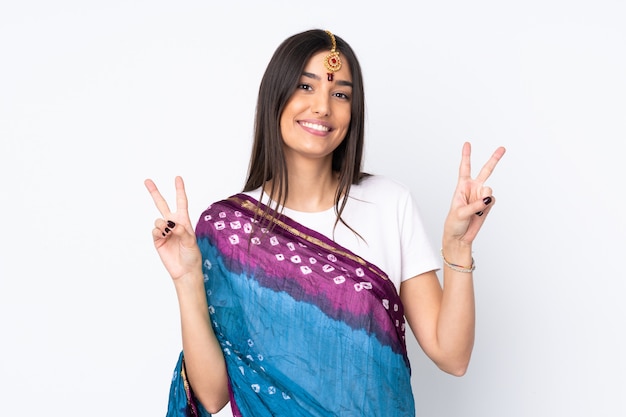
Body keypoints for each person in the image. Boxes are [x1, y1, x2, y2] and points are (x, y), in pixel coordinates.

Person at [145, 29, 506, 417]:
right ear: (275, 97)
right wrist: (186, 280)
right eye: (305, 86)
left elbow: (452, 356)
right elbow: (213, 396)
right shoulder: (227, 230)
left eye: (340, 94)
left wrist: (457, 250)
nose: (322, 107)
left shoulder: (389, 202)